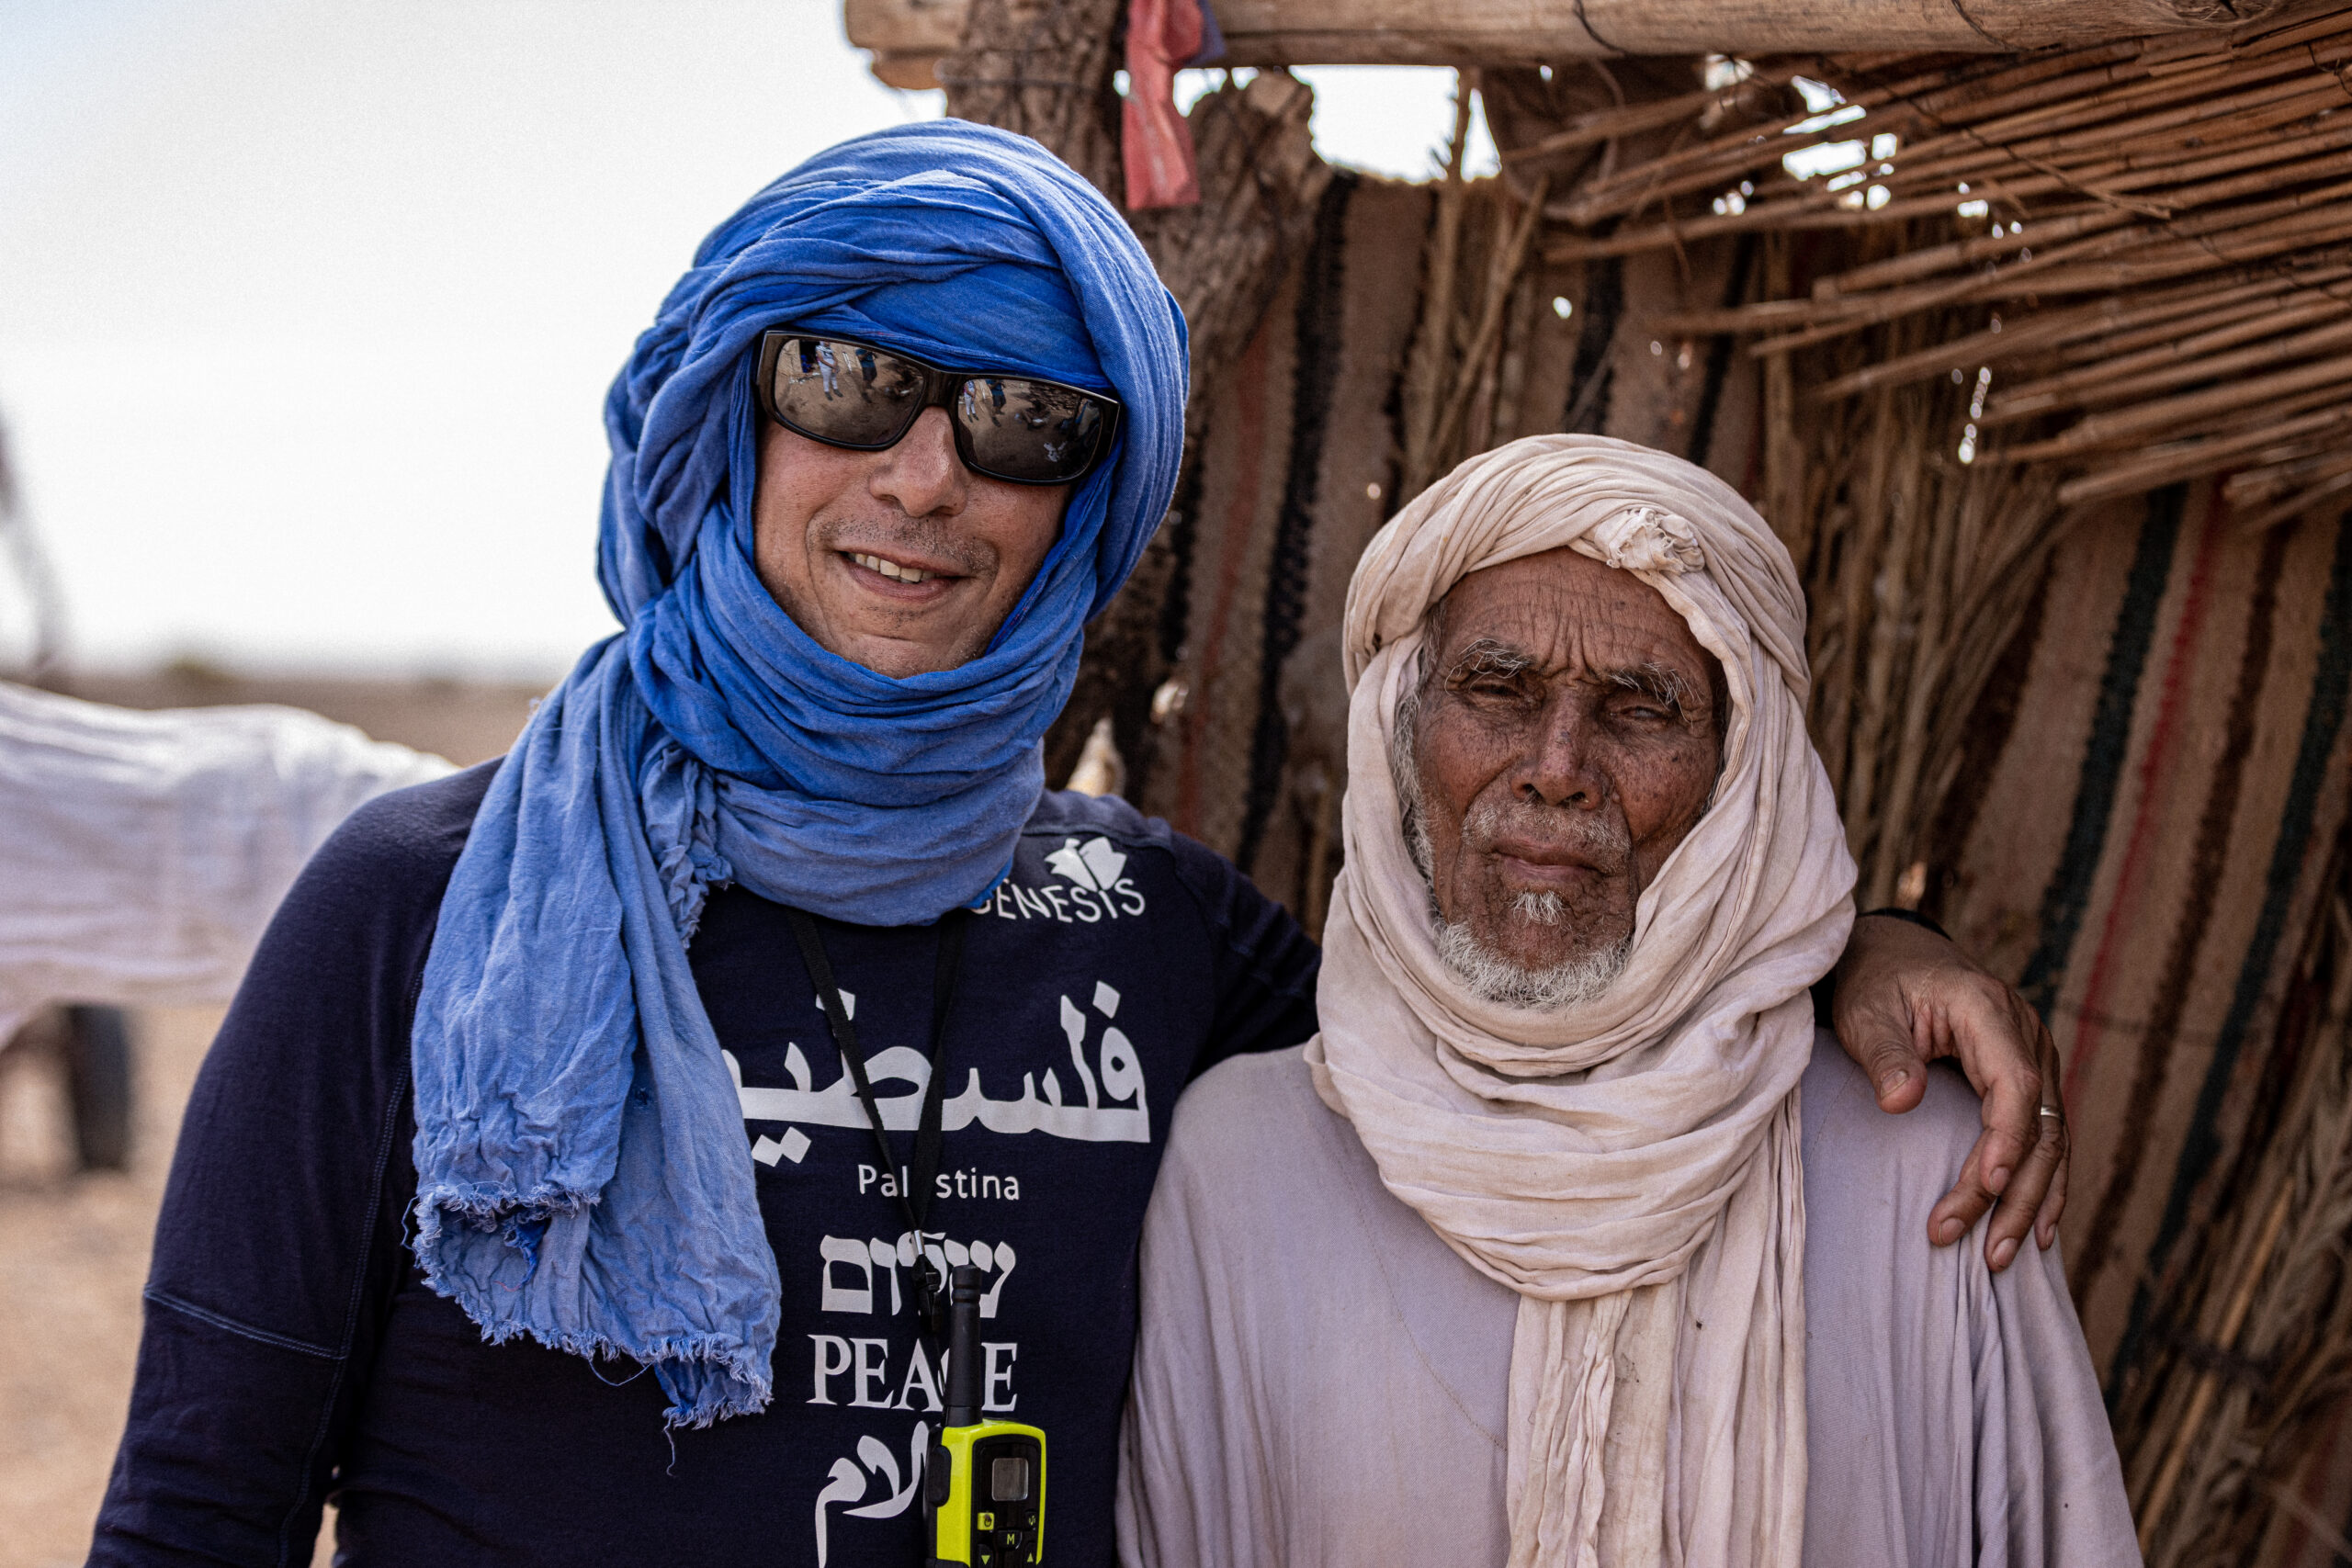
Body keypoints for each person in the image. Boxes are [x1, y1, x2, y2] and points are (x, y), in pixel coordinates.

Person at [90, 131, 2064, 1568]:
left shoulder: (1160, 933)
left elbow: (1527, 1040)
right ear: (727, 415)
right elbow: (197, 1510)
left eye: (1024, 421)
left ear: (1082, 509)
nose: (927, 474)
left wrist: (1849, 946)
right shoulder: (421, 911)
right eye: (852, 381)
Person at [1117, 435, 2130, 1568]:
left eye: (1640, 710)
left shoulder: (1925, 1173)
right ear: (1399, 736)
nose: (1557, 765)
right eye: (1496, 690)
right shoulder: (1238, 1168)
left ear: (1743, 780)